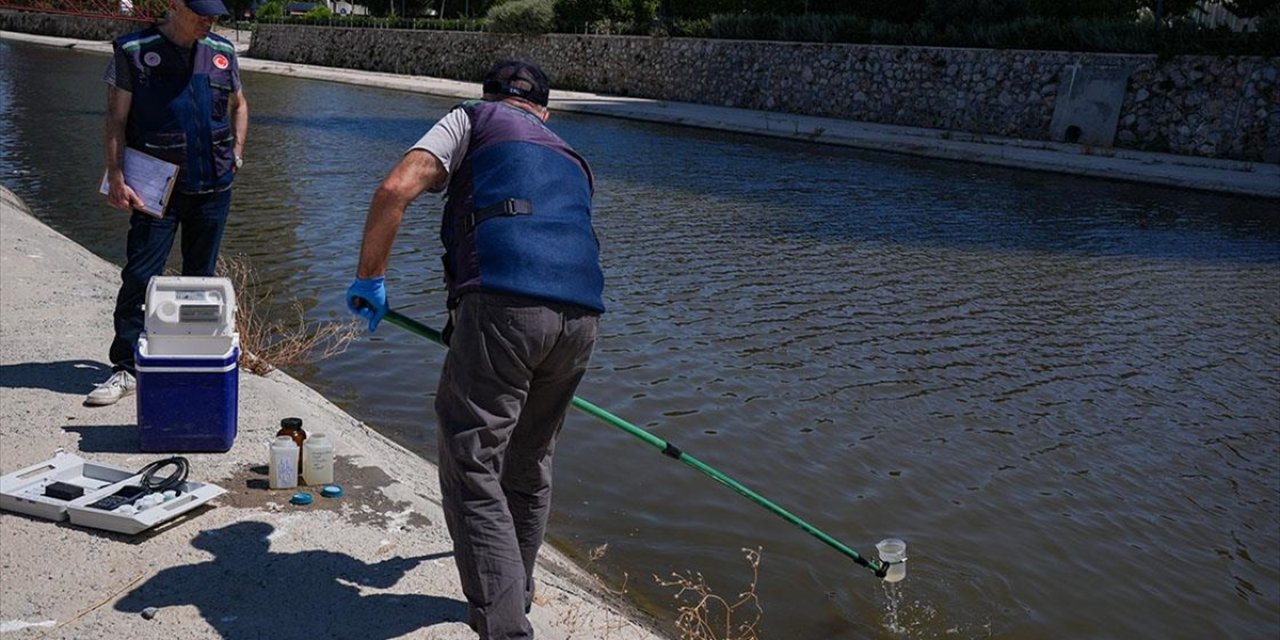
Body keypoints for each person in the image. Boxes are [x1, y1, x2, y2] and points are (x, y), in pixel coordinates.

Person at [346, 60, 604, 639]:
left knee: (471, 460)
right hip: (582, 321)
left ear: (489, 97)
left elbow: (395, 188)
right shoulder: (569, 155)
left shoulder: (472, 118)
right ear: (544, 110)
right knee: (530, 460)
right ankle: (518, 589)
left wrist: (371, 277)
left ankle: (504, 628)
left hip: (505, 309)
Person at [87, 0, 249, 405]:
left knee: (200, 282)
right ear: (175, 5)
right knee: (141, 277)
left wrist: (238, 153)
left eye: (214, 13)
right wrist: (117, 176)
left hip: (213, 188)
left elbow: (240, 105)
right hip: (154, 191)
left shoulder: (223, 53)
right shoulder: (133, 51)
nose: (209, 19)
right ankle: (125, 368)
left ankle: (188, 363)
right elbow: (115, 119)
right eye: (200, 12)